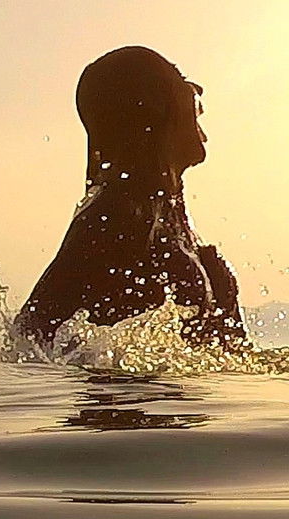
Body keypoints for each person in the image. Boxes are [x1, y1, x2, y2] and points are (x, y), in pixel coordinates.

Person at [16, 46, 246, 349]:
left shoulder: (166, 218)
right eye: (181, 81)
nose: (197, 91)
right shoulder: (112, 218)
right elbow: (27, 336)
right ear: (153, 108)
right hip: (117, 383)